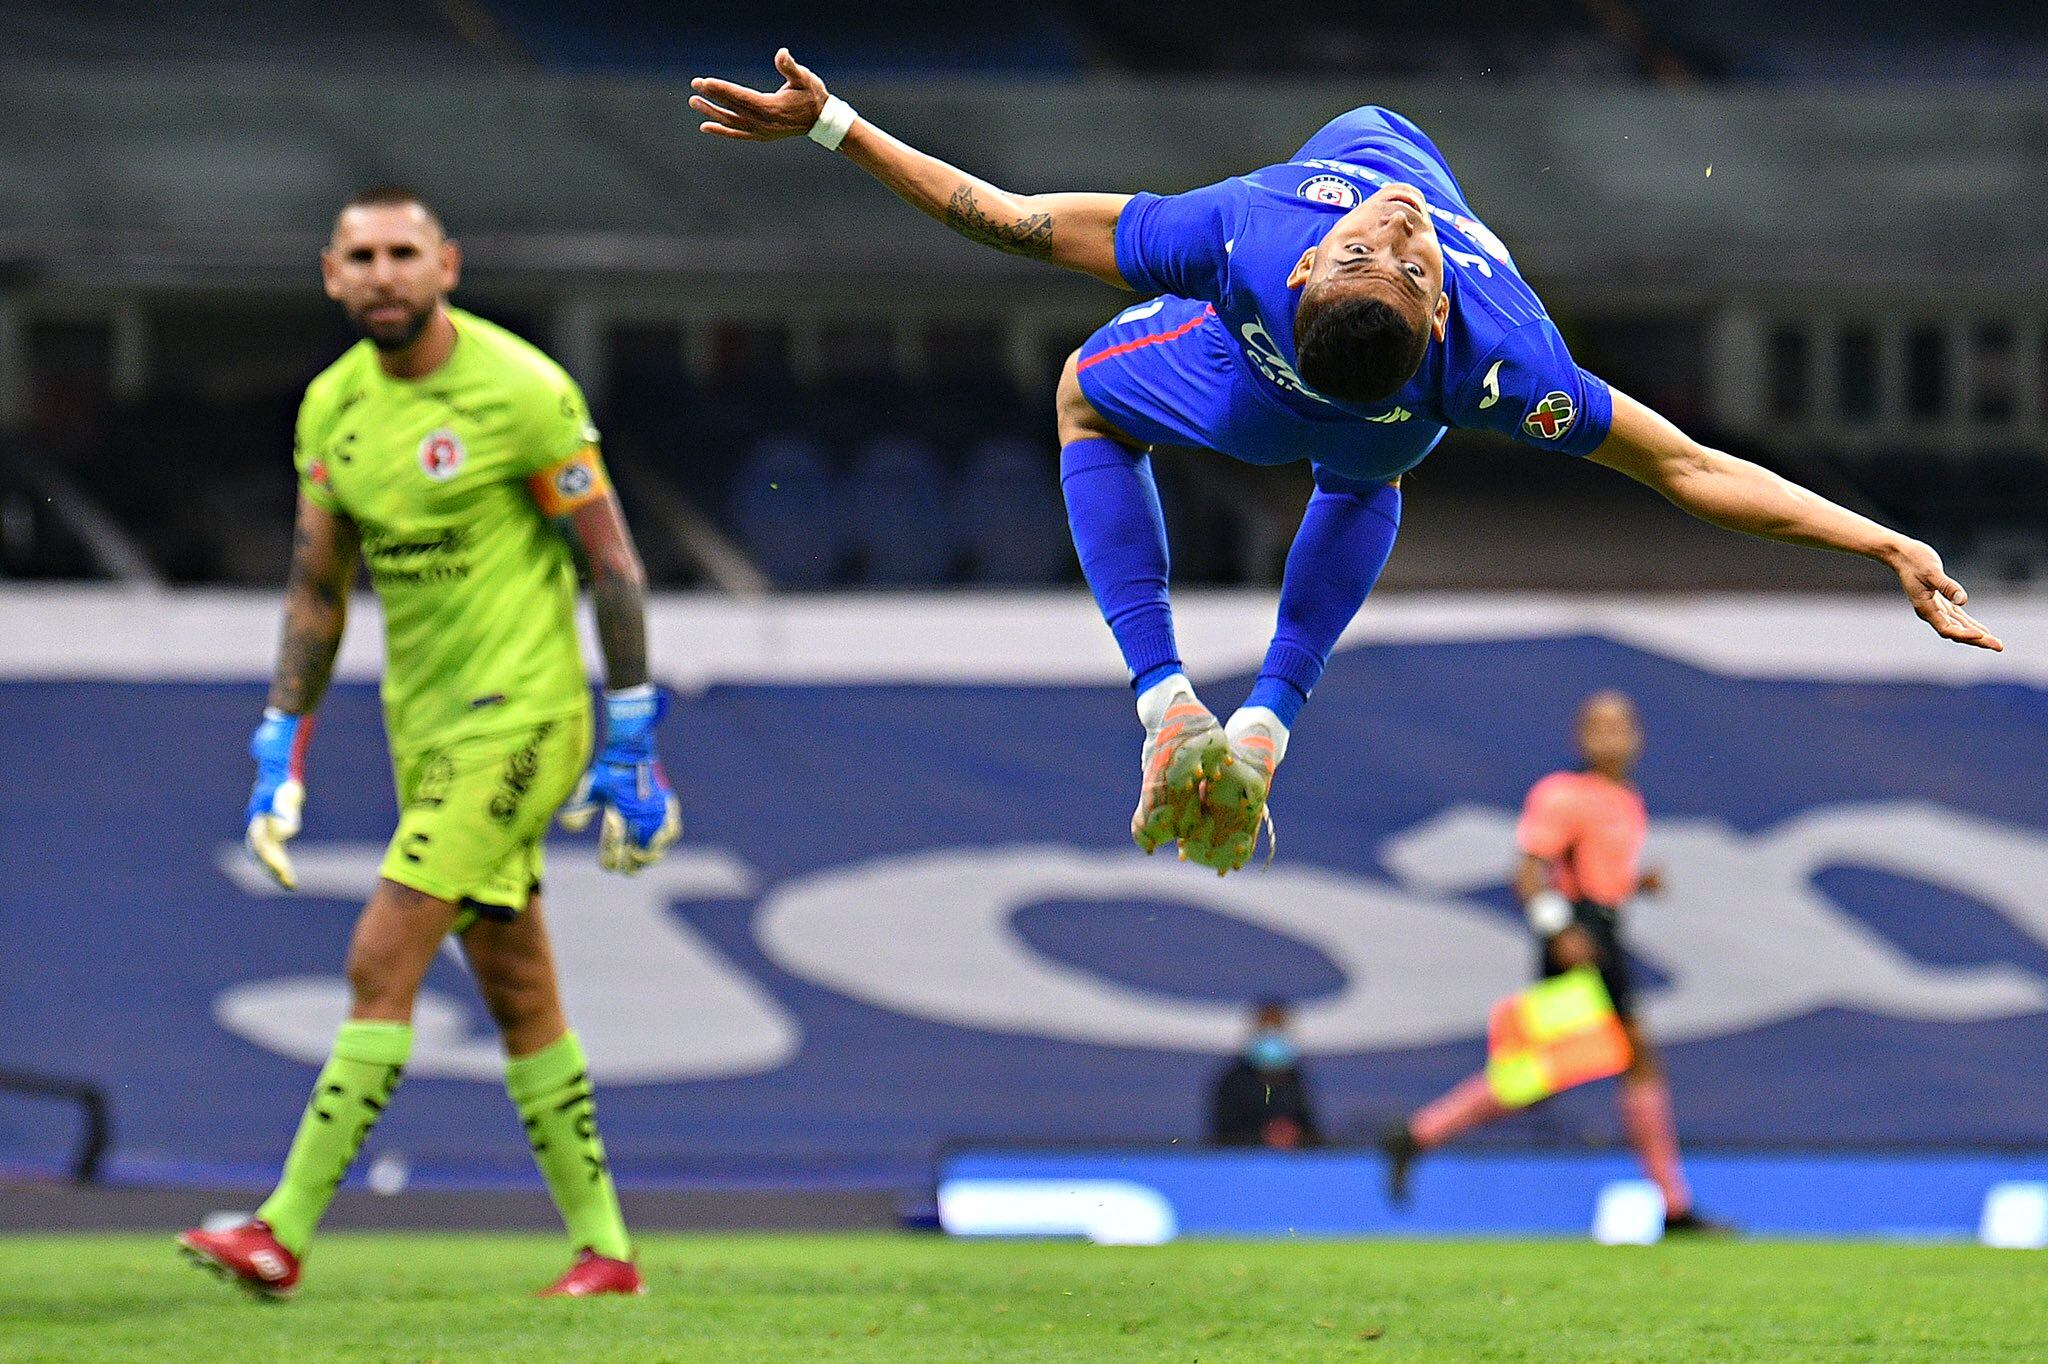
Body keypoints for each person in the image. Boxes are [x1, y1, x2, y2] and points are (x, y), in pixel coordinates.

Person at [688, 52, 2002, 875]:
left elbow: (1013, 223)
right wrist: (1876, 538)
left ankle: (1169, 704)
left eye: (1399, 254)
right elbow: (1691, 471)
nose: (1402, 225)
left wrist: (832, 128)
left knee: (1087, 396)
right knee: (1367, 476)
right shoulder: (1504, 365)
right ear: (1429, 316)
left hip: (1248, 381)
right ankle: (1264, 718)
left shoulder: (1250, 238)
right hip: (1360, 419)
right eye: (1397, 252)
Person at [178, 188, 680, 1299]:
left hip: (526, 719)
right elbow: (318, 590)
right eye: (361, 255)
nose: (383, 272)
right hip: (427, 733)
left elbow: (612, 561)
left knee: (379, 955)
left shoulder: (523, 390)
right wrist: (280, 734)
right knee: (516, 989)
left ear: (445, 264)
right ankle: (606, 1252)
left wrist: (632, 721)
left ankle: (279, 1229)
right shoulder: (331, 411)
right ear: (330, 275)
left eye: (404, 251)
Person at [1380, 692, 1727, 1234]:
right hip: (1578, 940)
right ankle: (1674, 1206)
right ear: (1580, 737)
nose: (1611, 737)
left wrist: (1638, 885)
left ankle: (1419, 1132)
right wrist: (1558, 928)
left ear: (1637, 736)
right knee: (1618, 1061)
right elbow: (1528, 872)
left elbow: (1600, 879)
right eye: (1598, 727)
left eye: (1621, 727)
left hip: (1602, 931)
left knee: (1543, 1074)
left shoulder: (1625, 798)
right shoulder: (1561, 795)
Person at [1209, 1000, 1321, 1149]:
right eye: (1265, 1029)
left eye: (1277, 1028)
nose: (1271, 1035)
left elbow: (1310, 1132)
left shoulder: (1295, 1081)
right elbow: (1224, 1136)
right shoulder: (1233, 1083)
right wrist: (1263, 1137)